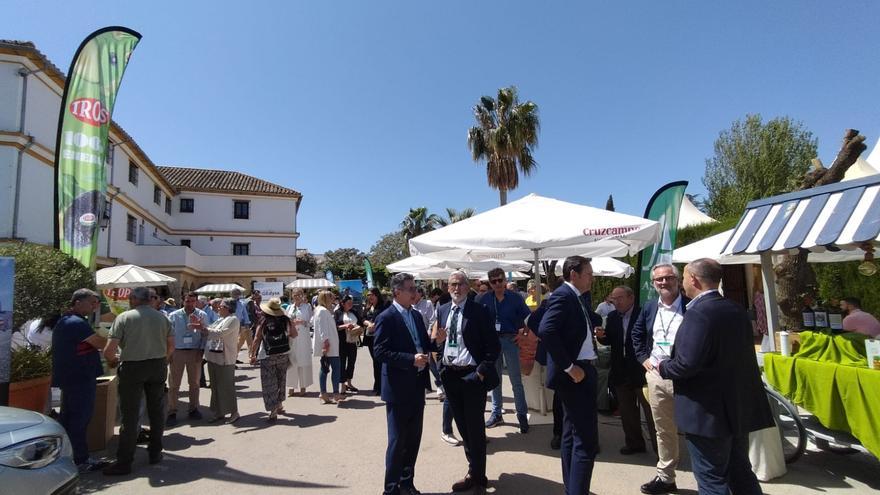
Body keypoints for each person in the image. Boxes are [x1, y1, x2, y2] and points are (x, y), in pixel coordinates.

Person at [658, 258, 773, 495]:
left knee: (711, 479)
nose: (682, 282)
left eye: (683, 277)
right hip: (736, 408)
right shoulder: (735, 308)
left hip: (707, 412)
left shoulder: (699, 313)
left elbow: (686, 364)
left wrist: (663, 367)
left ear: (693, 279)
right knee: (741, 472)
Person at [374, 272, 444, 495]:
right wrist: (410, 359)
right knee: (398, 441)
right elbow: (380, 351)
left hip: (417, 385)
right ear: (397, 292)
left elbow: (422, 344)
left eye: (416, 288)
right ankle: (391, 489)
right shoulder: (386, 317)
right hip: (397, 388)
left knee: (413, 440)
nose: (416, 292)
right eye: (411, 289)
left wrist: (436, 342)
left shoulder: (415, 315)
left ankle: (407, 483)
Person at [433, 271, 500, 494]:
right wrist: (440, 357)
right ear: (447, 287)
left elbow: (493, 347)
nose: (457, 288)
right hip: (450, 375)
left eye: (461, 284)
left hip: (472, 377)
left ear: (468, 286)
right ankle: (474, 470)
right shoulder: (442, 310)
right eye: (453, 284)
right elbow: (439, 342)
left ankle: (478, 478)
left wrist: (480, 372)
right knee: (462, 427)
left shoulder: (479, 311)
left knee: (475, 429)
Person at [538, 256, 600, 495]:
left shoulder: (575, 296)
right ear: (574, 274)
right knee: (585, 441)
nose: (592, 279)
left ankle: (572, 489)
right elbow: (546, 329)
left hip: (580, 371)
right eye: (589, 274)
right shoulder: (564, 295)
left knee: (571, 435)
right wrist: (569, 367)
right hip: (576, 375)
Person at [630, 263, 690, 495]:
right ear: (653, 283)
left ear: (678, 280)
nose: (664, 282)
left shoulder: (691, 306)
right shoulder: (649, 307)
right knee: (663, 429)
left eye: (668, 278)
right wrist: (643, 358)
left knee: (696, 428)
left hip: (686, 377)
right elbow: (636, 333)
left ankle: (710, 478)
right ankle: (666, 477)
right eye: (659, 280)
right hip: (657, 376)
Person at [102, 287, 174, 475]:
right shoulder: (163, 318)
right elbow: (171, 345)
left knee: (130, 414)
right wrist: (163, 359)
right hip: (158, 365)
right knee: (156, 411)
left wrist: (113, 360)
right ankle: (155, 452)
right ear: (149, 299)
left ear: (133, 299)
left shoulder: (124, 318)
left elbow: (109, 351)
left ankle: (124, 461)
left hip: (132, 367)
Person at [596, 286, 656, 455]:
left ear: (631, 298)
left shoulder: (643, 314)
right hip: (621, 371)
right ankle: (634, 444)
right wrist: (602, 337)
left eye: (620, 298)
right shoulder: (612, 317)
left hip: (641, 370)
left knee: (651, 412)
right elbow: (610, 340)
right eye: (614, 299)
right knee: (627, 411)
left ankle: (661, 451)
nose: (616, 302)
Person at [51, 289, 106, 472]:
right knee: (79, 419)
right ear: (77, 302)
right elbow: (99, 343)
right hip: (80, 378)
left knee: (69, 418)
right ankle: (81, 459)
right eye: (91, 302)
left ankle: (65, 455)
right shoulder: (76, 323)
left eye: (96, 303)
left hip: (72, 377)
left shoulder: (67, 320)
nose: (94, 306)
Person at [477, 267, 531, 433]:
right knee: (495, 380)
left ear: (505, 280)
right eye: (494, 281)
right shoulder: (484, 299)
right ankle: (496, 413)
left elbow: (528, 319)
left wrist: (523, 334)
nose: (498, 284)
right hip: (492, 342)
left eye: (500, 280)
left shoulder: (515, 298)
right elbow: (477, 322)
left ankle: (522, 415)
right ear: (490, 283)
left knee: (516, 380)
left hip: (510, 340)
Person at [166, 292, 208, 427]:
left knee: (194, 383)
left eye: (193, 301)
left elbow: (205, 334)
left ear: (196, 302)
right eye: (187, 301)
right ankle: (172, 411)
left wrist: (201, 350)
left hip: (194, 351)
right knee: (174, 384)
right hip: (177, 351)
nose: (190, 304)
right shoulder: (173, 315)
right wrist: (169, 353)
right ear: (183, 301)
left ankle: (193, 409)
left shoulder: (202, 315)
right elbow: (168, 335)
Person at [250, 297, 296, 421]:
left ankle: (273, 410)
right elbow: (294, 334)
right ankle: (279, 404)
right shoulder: (285, 319)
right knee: (281, 380)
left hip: (267, 355)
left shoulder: (263, 320)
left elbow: (257, 339)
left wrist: (252, 354)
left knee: (269, 383)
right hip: (283, 353)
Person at [202, 298, 241, 424]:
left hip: (225, 358)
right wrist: (203, 328)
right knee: (215, 387)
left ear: (228, 308)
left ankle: (234, 412)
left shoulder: (233, 320)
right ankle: (218, 412)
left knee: (227, 387)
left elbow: (219, 333)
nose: (218, 308)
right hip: (213, 357)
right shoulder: (220, 319)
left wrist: (204, 329)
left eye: (221, 306)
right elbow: (210, 330)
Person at [314, 290, 342, 404]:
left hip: (330, 344)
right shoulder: (322, 311)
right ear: (325, 298)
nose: (333, 299)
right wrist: (325, 343)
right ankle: (334, 393)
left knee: (325, 367)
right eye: (331, 297)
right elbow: (323, 328)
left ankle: (325, 393)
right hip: (329, 345)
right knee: (333, 368)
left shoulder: (322, 310)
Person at [286, 289, 314, 396]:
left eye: (299, 295)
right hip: (292, 338)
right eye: (295, 295)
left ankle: (303, 386)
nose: (297, 297)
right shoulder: (289, 307)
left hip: (303, 337)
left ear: (302, 296)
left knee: (303, 361)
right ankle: (291, 386)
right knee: (291, 361)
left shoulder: (307, 307)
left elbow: (311, 322)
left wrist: (302, 322)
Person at [363, 287, 390, 395]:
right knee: (375, 361)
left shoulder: (384, 306)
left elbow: (387, 318)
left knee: (381, 361)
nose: (370, 297)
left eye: (372, 295)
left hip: (381, 337)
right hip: (370, 338)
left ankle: (383, 386)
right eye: (368, 295)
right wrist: (368, 323)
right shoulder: (368, 307)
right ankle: (378, 385)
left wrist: (376, 324)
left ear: (377, 295)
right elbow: (362, 318)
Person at [334, 295, 363, 394]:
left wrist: (358, 328)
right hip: (342, 341)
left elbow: (361, 322)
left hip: (353, 341)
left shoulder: (354, 312)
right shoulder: (338, 312)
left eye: (351, 303)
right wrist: (345, 326)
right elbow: (335, 326)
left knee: (351, 362)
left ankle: (349, 382)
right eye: (348, 303)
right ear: (343, 304)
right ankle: (342, 385)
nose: (351, 305)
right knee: (342, 363)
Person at [232, 288, 253, 358]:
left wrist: (247, 323)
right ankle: (233, 357)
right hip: (230, 324)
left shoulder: (242, 303)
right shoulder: (229, 302)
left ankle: (250, 356)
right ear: (232, 294)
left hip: (239, 324)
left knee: (239, 341)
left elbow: (245, 314)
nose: (237, 295)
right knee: (234, 342)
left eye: (238, 294)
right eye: (235, 294)